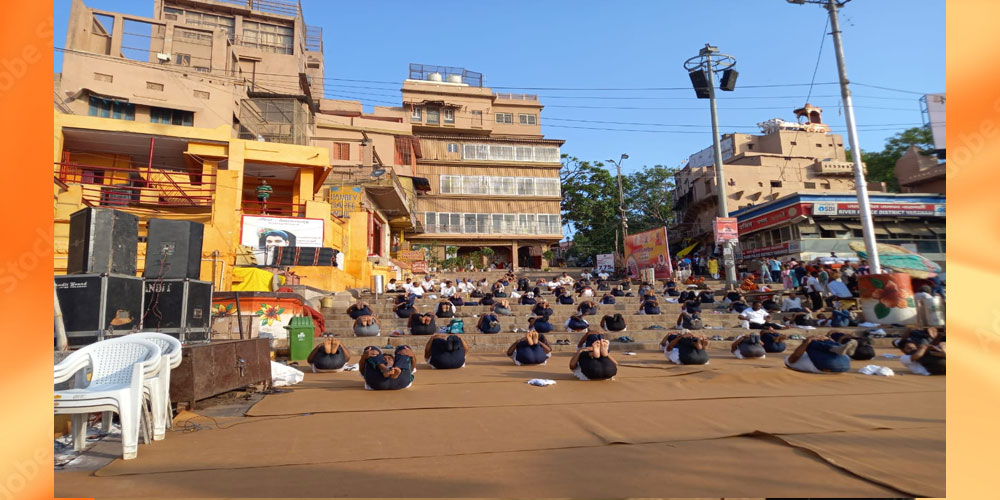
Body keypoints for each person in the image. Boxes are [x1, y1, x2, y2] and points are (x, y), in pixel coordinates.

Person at [784, 335, 854, 374]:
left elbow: (797, 354)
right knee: (812, 342)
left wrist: (826, 339)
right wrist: (807, 341)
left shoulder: (814, 355)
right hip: (843, 366)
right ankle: (837, 345)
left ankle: (837, 346)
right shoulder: (789, 360)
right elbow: (795, 356)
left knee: (820, 342)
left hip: (840, 366)